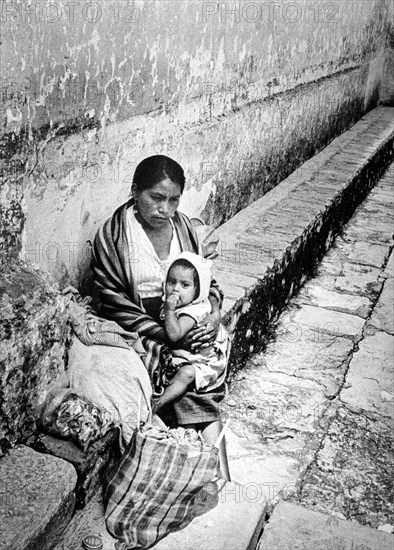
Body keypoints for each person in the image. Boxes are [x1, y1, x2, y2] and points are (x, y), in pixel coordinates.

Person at [91, 155, 230, 478]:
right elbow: (113, 302)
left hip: (188, 325)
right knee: (181, 374)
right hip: (143, 331)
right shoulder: (113, 237)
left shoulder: (184, 228)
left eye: (174, 200)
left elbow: (208, 283)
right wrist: (165, 333)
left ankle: (211, 470)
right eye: (156, 198)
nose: (165, 209)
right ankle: (216, 471)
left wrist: (213, 315)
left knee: (196, 364)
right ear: (135, 191)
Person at [154, 251, 229, 415]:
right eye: (171, 282)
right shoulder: (176, 303)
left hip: (203, 360)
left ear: (197, 290)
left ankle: (158, 404)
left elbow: (174, 335)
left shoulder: (193, 311)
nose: (176, 289)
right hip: (187, 353)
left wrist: (169, 310)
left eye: (185, 285)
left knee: (186, 374)